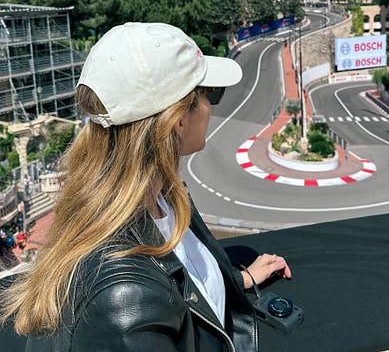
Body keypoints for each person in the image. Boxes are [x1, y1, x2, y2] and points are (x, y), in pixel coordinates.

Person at [1, 22, 291, 351]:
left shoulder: (163, 196)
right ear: (179, 121)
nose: (212, 105)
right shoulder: (122, 299)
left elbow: (183, 287)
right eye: (208, 93)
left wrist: (237, 281)